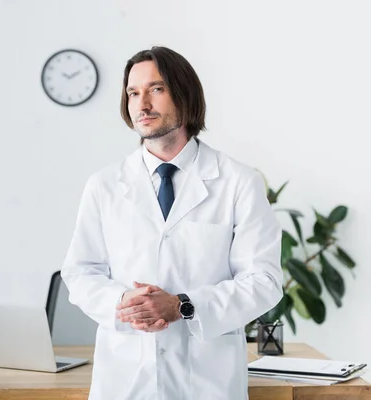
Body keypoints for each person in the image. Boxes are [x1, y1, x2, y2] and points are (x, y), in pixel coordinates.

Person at [61, 46, 283, 400]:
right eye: (133, 92)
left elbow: (265, 281)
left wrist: (183, 305)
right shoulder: (104, 185)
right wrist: (125, 302)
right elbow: (79, 273)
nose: (142, 104)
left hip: (207, 382)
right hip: (125, 379)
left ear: (185, 95)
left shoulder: (239, 182)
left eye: (156, 89)